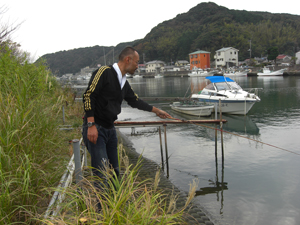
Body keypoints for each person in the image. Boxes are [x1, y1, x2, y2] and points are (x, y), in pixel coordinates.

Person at [82, 46, 170, 192]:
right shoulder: (104, 72)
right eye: (136, 62)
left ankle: (114, 206)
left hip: (110, 130)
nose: (137, 66)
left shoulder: (124, 82)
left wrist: (156, 111)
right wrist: (90, 124)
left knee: (115, 172)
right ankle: (100, 211)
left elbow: (135, 101)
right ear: (127, 59)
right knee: (101, 174)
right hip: (96, 128)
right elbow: (88, 95)